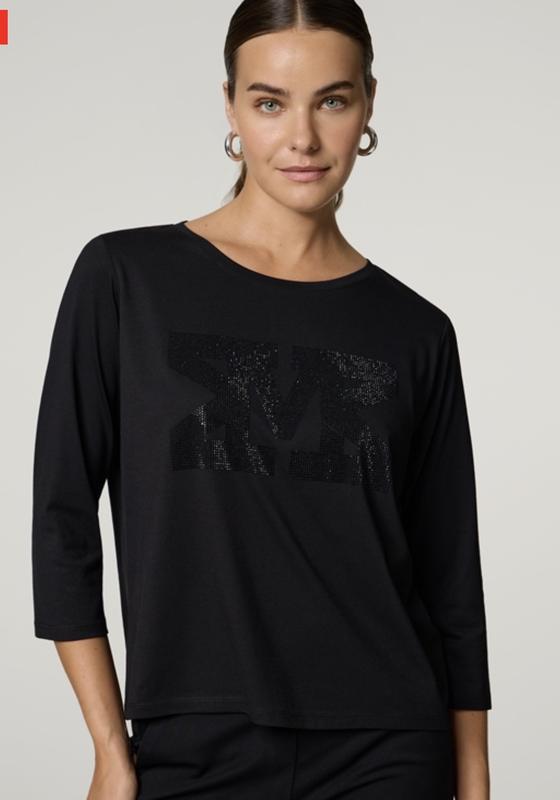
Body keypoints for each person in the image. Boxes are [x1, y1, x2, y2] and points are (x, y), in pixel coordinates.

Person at [31, 1, 492, 798]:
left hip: (388, 747)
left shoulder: (416, 331)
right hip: (192, 742)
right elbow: (61, 519)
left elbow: (452, 577)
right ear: (231, 108)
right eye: (270, 102)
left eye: (332, 100)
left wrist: (474, 779)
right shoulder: (127, 280)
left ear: (368, 106)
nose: (302, 138)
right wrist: (110, 748)